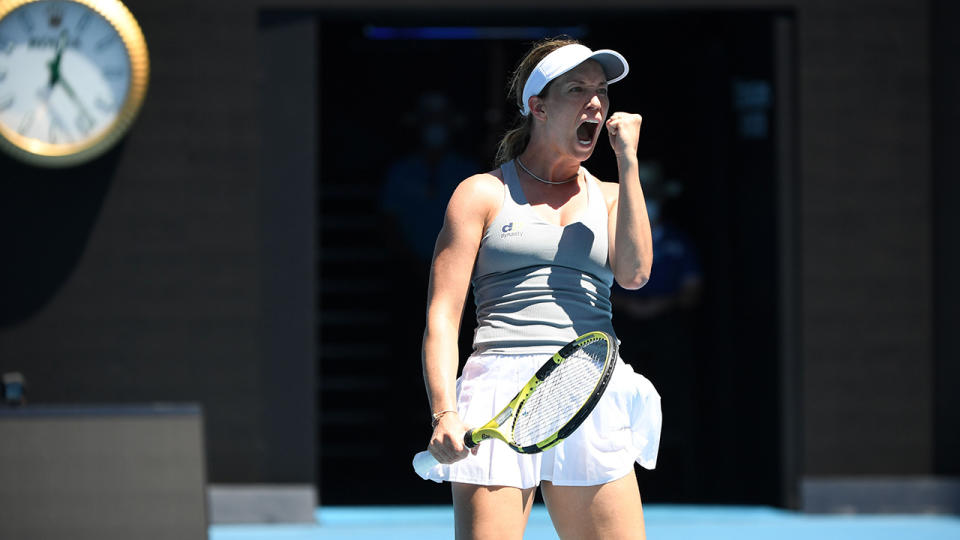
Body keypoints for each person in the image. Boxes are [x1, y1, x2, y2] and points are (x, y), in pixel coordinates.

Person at [416, 37, 663, 539]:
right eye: (578, 89)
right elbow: (443, 316)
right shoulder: (481, 193)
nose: (595, 102)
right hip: (498, 391)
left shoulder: (614, 196)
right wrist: (445, 409)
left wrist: (629, 160)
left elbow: (636, 275)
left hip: (592, 385)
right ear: (539, 106)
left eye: (601, 90)